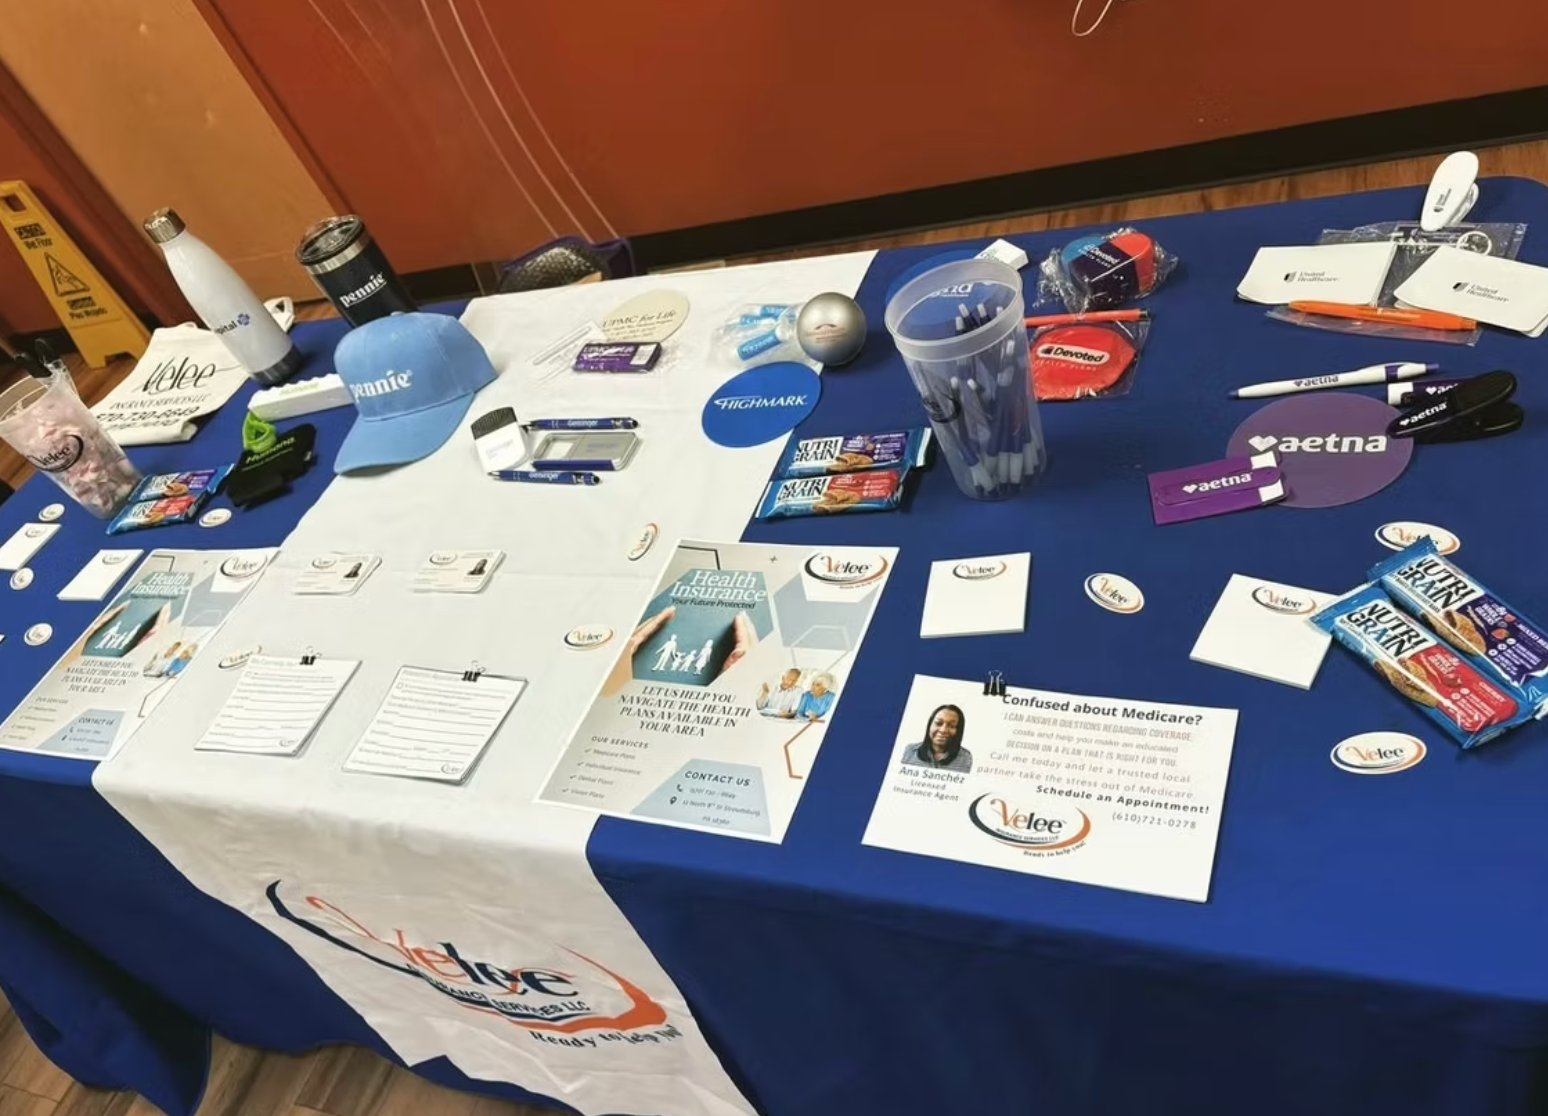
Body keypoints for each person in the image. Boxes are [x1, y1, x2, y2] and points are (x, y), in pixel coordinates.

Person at [901, 704, 971, 772]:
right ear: (929, 725)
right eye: (938, 723)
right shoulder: (910, 751)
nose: (943, 730)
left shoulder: (966, 758)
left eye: (952, 726)